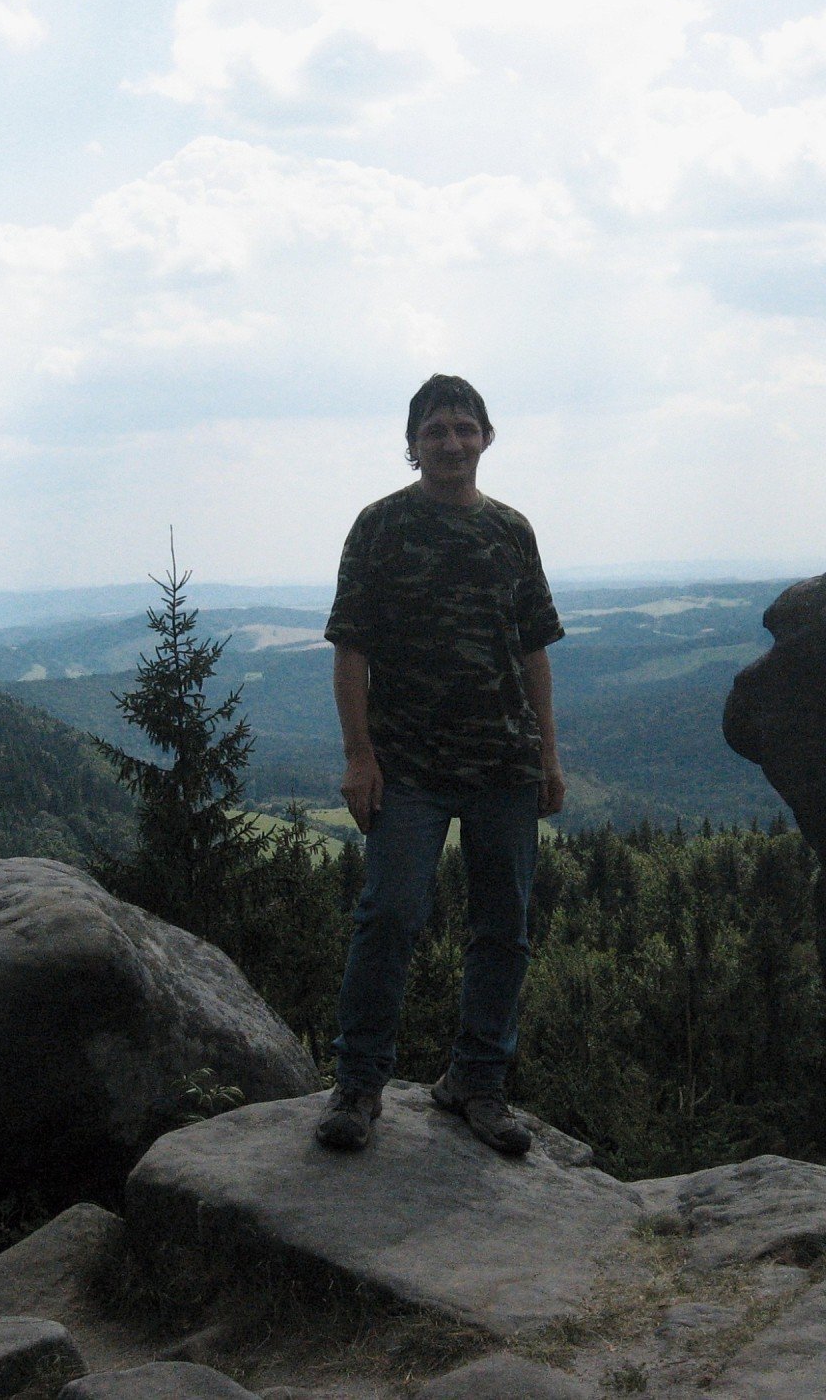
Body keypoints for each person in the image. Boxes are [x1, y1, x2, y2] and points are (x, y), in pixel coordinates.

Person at [315, 374, 566, 1155]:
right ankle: (359, 1086)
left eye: (464, 428)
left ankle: (477, 1085)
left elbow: (532, 651)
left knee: (504, 928)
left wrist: (548, 756)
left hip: (503, 763)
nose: (452, 443)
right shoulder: (382, 526)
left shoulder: (512, 532)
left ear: (486, 437)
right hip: (409, 765)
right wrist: (360, 757)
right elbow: (351, 647)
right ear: (414, 444)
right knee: (389, 917)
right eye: (436, 431)